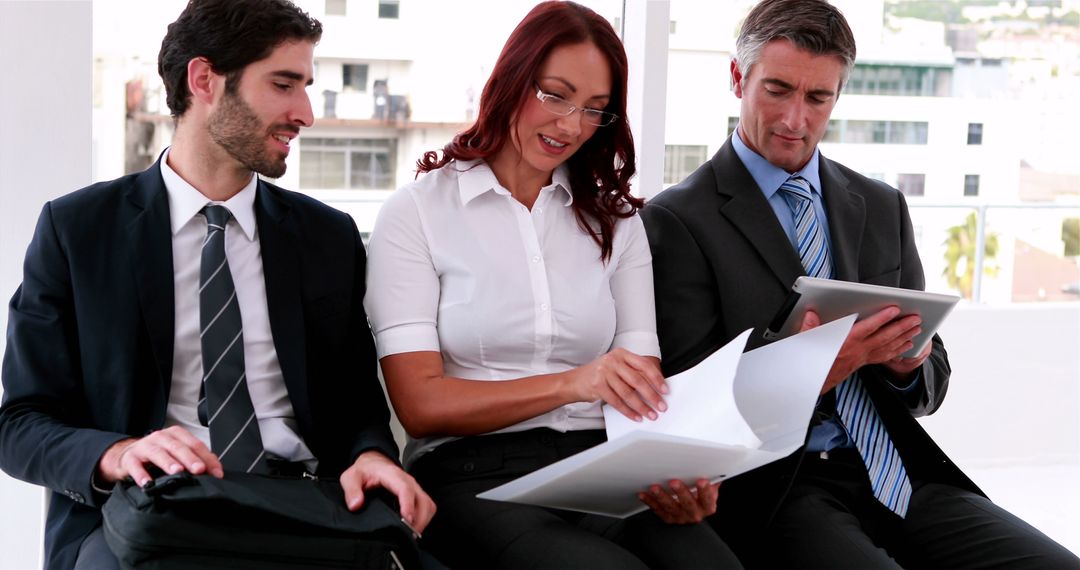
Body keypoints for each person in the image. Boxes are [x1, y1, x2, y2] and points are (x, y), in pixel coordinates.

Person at [641, 0, 1080, 568]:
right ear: (737, 79)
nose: (796, 119)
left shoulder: (880, 205)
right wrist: (821, 367)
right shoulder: (677, 221)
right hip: (782, 489)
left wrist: (906, 363)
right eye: (777, 90)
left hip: (899, 474)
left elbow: (932, 384)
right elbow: (687, 404)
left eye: (818, 98)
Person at [0, 1, 435, 568]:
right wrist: (119, 451)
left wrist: (374, 454)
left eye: (306, 86)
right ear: (204, 80)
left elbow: (357, 405)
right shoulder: (78, 230)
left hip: (306, 509)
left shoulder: (326, 237)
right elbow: (20, 424)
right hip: (151, 512)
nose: (304, 112)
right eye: (284, 84)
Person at [364, 2, 742, 568]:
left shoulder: (617, 223)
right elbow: (420, 405)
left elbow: (643, 389)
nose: (570, 125)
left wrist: (676, 473)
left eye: (594, 109)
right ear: (511, 79)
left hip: (602, 466)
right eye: (554, 94)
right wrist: (575, 383)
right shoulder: (417, 213)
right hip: (473, 475)